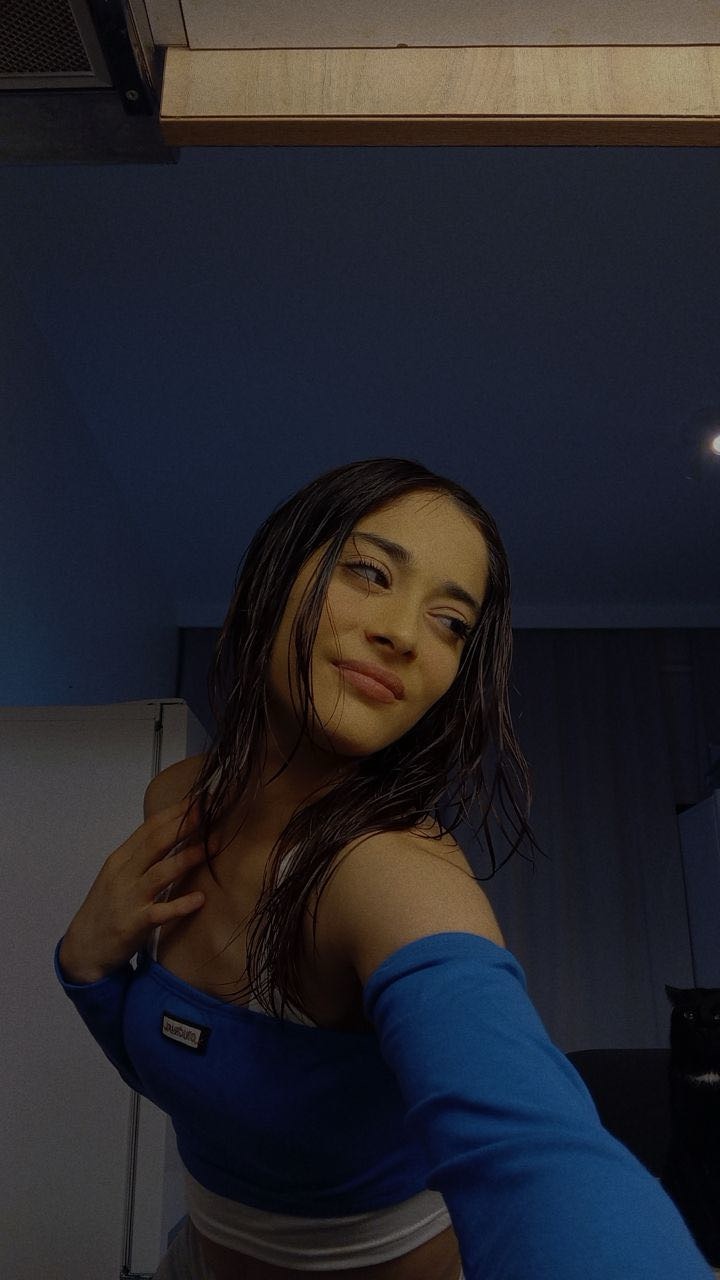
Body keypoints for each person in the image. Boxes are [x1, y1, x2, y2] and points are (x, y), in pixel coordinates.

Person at [55, 457, 714, 1280]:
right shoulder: (180, 796)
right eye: (370, 573)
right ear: (273, 574)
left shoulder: (389, 873)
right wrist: (86, 969)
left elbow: (539, 1155)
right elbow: (191, 1068)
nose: (404, 634)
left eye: (450, 622)